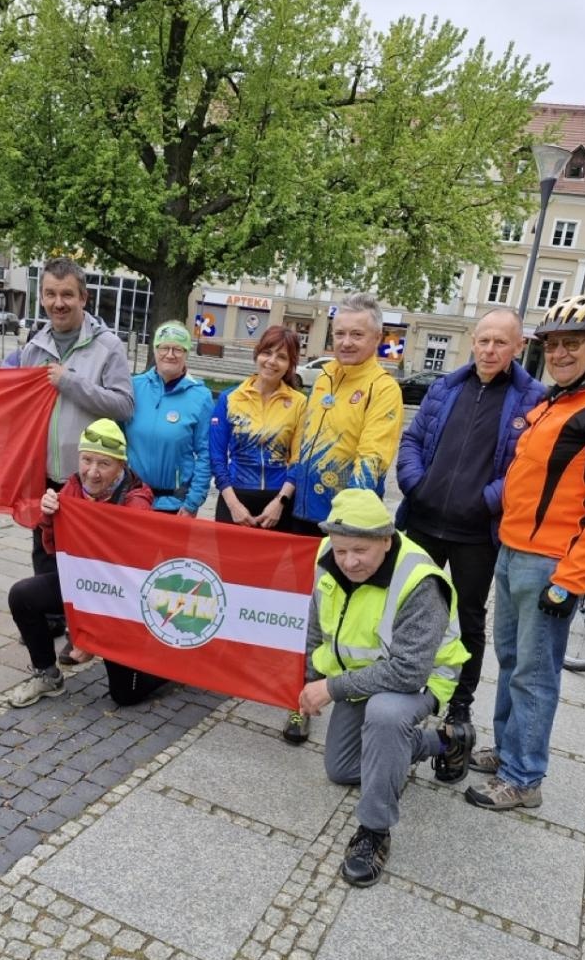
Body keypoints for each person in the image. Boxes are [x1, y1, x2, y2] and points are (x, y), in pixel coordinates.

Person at [466, 295, 585, 811]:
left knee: (535, 673)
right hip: (514, 550)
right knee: (514, 660)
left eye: (573, 343)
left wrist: (573, 578)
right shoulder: (557, 399)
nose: (561, 353)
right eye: (555, 344)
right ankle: (508, 751)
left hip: (551, 561)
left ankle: (525, 778)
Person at [297, 489, 470, 887]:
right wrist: (311, 679)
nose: (349, 561)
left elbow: (409, 672)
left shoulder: (419, 580)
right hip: (364, 675)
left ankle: (373, 832)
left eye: (360, 550)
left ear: (386, 540)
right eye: (342, 551)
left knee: (386, 716)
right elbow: (316, 623)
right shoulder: (329, 553)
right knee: (342, 769)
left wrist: (334, 688)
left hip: (419, 681)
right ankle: (443, 742)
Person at [395, 308, 547, 733]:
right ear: (473, 342)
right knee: (408, 609)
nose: (490, 349)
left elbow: (525, 469)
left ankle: (459, 704)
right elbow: (412, 440)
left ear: (519, 347)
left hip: (475, 534)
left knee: (469, 622)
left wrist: (484, 502)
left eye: (501, 342)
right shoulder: (446, 387)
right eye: (484, 340)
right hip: (423, 522)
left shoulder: (532, 398)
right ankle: (403, 684)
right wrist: (415, 484)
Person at [283, 292, 403, 742]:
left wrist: (344, 521)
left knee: (329, 617)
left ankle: (321, 697)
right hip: (300, 511)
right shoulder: (324, 376)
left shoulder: (382, 386)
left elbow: (372, 457)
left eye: (357, 334)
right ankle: (295, 692)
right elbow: (305, 442)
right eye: (340, 333)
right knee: (300, 609)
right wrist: (287, 493)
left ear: (376, 337)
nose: (347, 342)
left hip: (341, 524)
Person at [7, 420, 168, 707]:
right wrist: (48, 516)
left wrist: (89, 634)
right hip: (82, 584)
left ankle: (169, 666)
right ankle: (47, 675)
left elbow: (125, 577)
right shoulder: (72, 488)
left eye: (103, 464)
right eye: (86, 460)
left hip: (122, 600)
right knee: (22, 595)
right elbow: (55, 550)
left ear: (121, 465)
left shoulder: (136, 504)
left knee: (125, 695)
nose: (91, 472)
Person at [13, 257, 134, 572]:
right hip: (44, 478)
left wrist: (71, 383)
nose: (58, 303)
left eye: (67, 294)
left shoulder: (109, 347)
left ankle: (75, 621)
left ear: (83, 297)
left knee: (82, 563)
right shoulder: (33, 348)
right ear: (41, 297)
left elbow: (124, 405)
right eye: (50, 294)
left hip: (89, 482)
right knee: (43, 555)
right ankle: (49, 622)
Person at [210, 325, 306, 531]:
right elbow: (216, 457)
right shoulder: (230, 398)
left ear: (290, 364)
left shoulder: (299, 403)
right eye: (267, 353)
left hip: (278, 503)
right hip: (234, 498)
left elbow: (299, 459)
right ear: (257, 355)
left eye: (282, 357)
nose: (272, 361)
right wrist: (233, 505)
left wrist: (280, 502)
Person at [124, 321, 213, 516]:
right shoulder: (133, 386)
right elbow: (117, 437)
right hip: (133, 499)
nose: (170, 354)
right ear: (155, 350)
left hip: (175, 505)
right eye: (164, 347)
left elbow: (206, 454)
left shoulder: (201, 397)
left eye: (178, 349)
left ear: (186, 353)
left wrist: (193, 502)